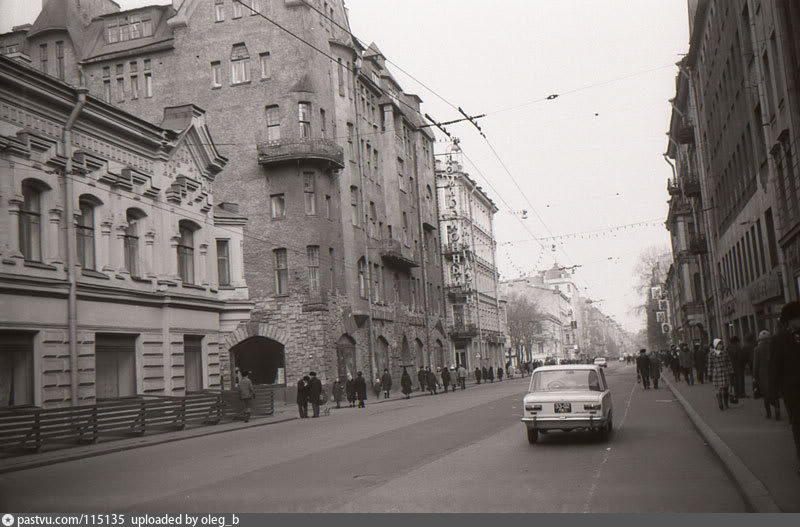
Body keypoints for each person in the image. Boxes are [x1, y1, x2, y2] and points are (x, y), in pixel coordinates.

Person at [768, 302, 800, 474]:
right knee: (798, 424)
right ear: (789, 321)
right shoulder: (778, 340)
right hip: (793, 391)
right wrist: (772, 392)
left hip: (792, 389)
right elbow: (774, 367)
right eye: (797, 318)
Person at [753, 330, 779, 420]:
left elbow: (756, 364)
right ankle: (777, 410)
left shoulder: (757, 349)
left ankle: (768, 413)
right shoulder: (774, 347)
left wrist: (755, 376)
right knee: (774, 393)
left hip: (762, 375)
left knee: (765, 394)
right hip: (773, 373)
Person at [708, 338, 734, 411]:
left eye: (721, 344)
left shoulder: (725, 352)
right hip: (717, 374)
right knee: (719, 390)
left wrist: (731, 371)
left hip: (725, 373)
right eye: (719, 344)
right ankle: (720, 403)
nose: (721, 346)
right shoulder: (711, 354)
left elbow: (729, 363)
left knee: (725, 389)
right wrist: (709, 374)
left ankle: (726, 404)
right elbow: (710, 365)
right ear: (716, 345)